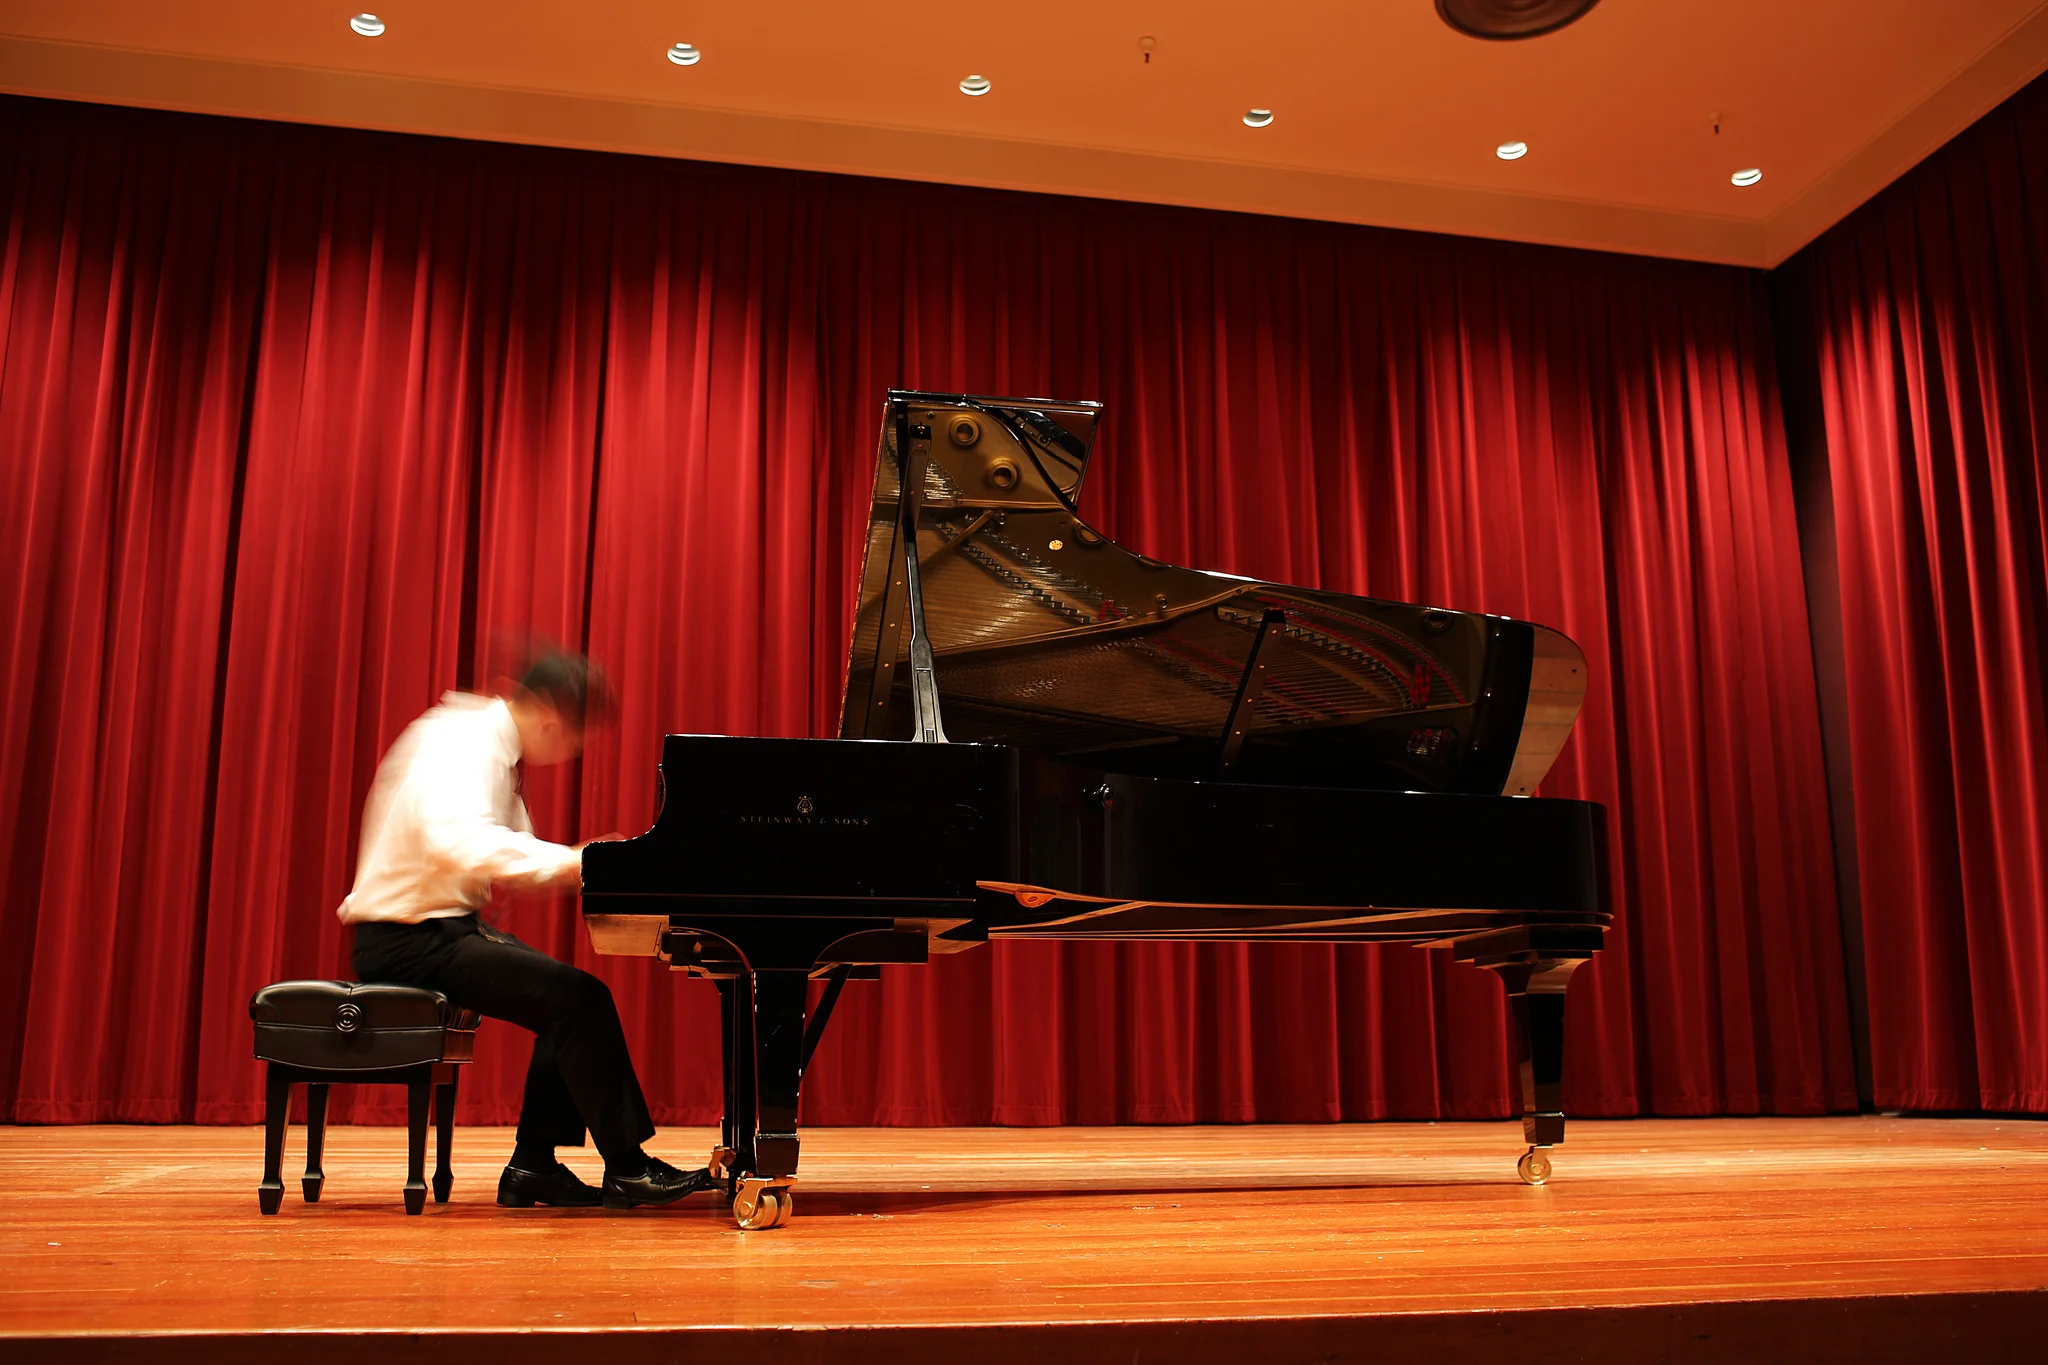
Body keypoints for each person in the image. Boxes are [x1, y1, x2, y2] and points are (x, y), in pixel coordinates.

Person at [340, 648, 708, 1210]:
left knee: (568, 1001)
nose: (570, 753)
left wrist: (586, 861)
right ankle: (627, 1170)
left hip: (433, 930)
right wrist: (579, 862)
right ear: (552, 720)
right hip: (408, 938)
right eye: (576, 741)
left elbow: (513, 850)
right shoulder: (467, 746)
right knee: (579, 999)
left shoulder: (480, 741)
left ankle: (534, 1166)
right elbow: (463, 843)